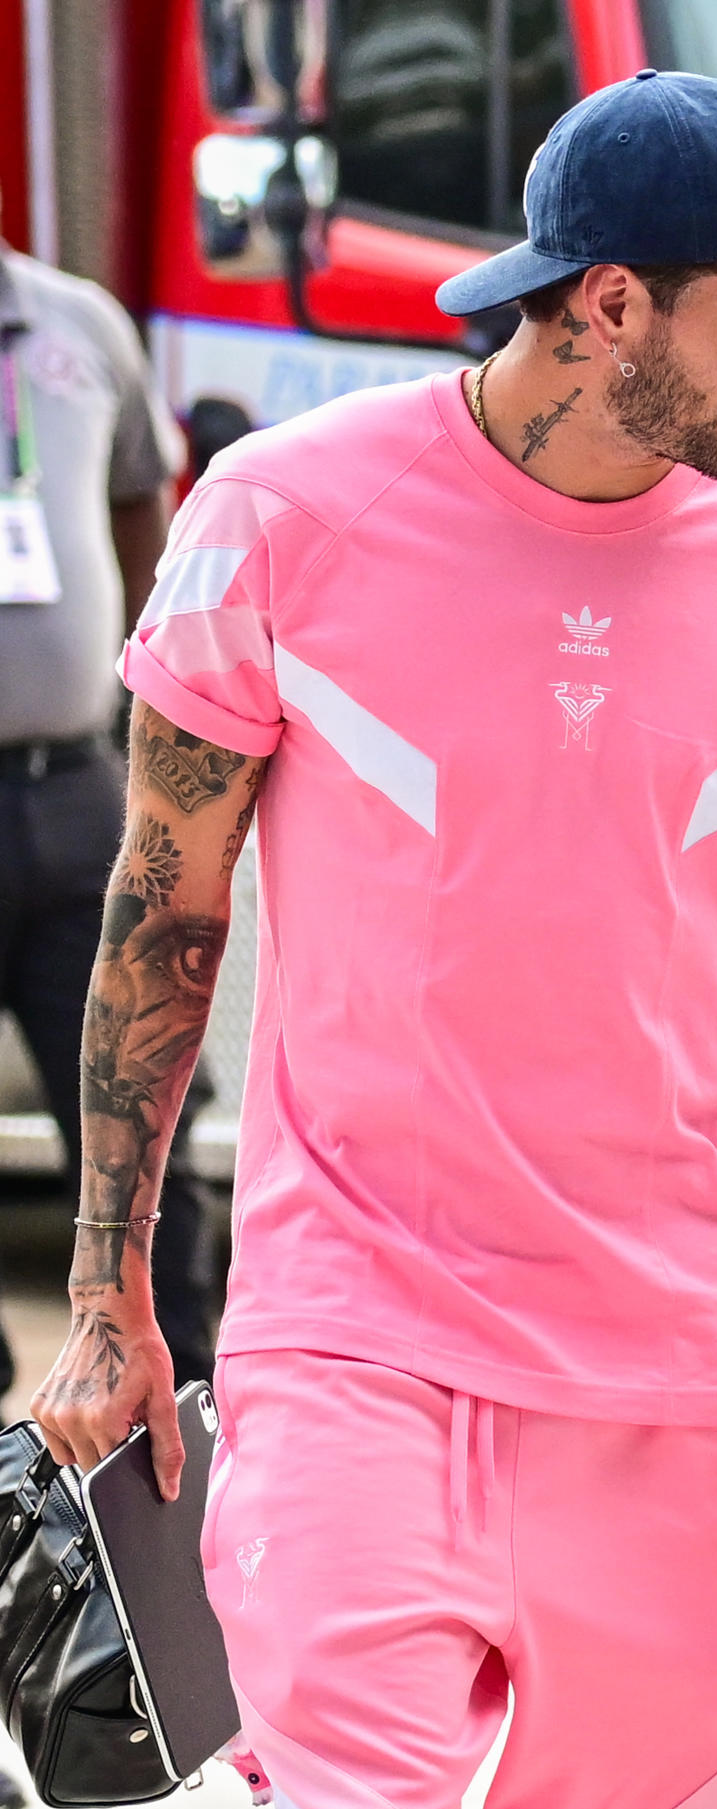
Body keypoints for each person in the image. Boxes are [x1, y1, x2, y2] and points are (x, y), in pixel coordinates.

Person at [32, 71, 717, 1809]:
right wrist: (110, 1277)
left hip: (686, 1357)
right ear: (610, 305)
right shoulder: (281, 515)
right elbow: (162, 902)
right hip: (353, 1325)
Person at [0, 234, 216, 1405]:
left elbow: (144, 498)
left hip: (77, 787)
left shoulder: (81, 327)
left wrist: (143, 679)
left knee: (145, 1100)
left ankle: (188, 1405)